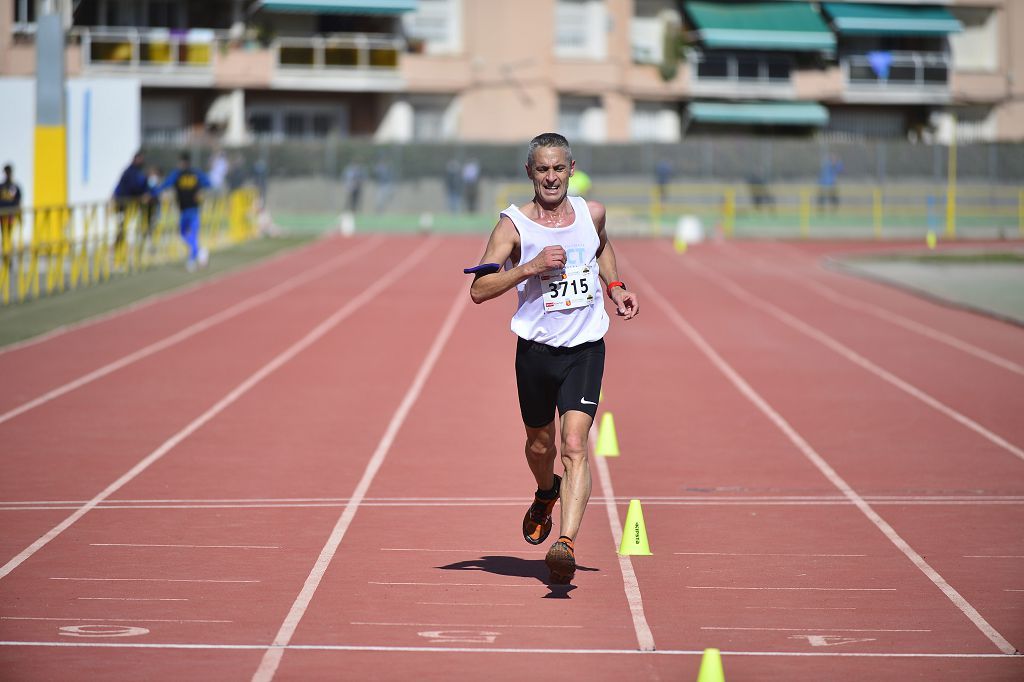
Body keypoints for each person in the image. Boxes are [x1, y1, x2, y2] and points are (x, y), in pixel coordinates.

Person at [466, 132, 639, 585]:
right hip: (536, 353)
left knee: (575, 445)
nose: (551, 177)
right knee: (540, 446)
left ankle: (566, 543)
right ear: (530, 172)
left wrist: (615, 288)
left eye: (558, 168)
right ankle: (547, 492)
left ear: (571, 169)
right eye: (542, 169)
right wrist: (529, 267)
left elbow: (600, 246)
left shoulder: (591, 213)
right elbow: (478, 290)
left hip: (585, 348)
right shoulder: (513, 226)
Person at [151, 153, 212, 272]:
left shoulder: (178, 174)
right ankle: (199, 252)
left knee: (186, 234)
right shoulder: (196, 173)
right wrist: (200, 191)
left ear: (183, 162)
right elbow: (208, 183)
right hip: (192, 209)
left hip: (187, 210)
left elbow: (165, 185)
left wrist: (152, 193)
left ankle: (192, 260)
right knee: (188, 234)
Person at [113, 151, 151, 252]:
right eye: (140, 159)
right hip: (123, 204)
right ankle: (118, 250)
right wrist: (142, 195)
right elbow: (133, 187)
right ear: (135, 159)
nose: (142, 161)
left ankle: (121, 250)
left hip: (129, 204)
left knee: (126, 228)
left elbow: (142, 186)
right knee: (123, 228)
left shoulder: (137, 172)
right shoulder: (130, 172)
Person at [0, 164, 22, 267]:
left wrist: (20, 215)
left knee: (9, 236)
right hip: (2, 216)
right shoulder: (1, 187)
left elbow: (18, 202)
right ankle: (6, 257)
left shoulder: (15, 187)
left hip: (10, 216)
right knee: (5, 237)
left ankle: (8, 257)